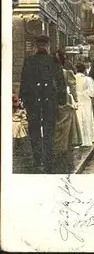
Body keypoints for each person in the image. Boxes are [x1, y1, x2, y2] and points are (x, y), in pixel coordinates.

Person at [20, 35, 67, 173]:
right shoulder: (54, 61)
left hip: (33, 101)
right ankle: (47, 158)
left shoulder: (29, 61)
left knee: (34, 129)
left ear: (36, 46)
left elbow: (24, 82)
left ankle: (37, 159)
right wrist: (62, 100)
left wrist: (23, 99)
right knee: (49, 130)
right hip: (49, 101)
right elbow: (60, 82)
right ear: (47, 46)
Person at [51, 51, 82, 173]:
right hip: (63, 103)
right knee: (64, 128)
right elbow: (73, 88)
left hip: (51, 104)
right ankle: (62, 150)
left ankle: (56, 149)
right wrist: (76, 100)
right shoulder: (66, 73)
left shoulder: (48, 72)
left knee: (55, 128)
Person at [75, 63, 94, 146]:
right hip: (85, 100)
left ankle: (78, 139)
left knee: (78, 118)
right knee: (87, 118)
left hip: (76, 100)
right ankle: (87, 139)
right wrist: (85, 93)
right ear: (84, 70)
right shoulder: (87, 79)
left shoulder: (73, 78)